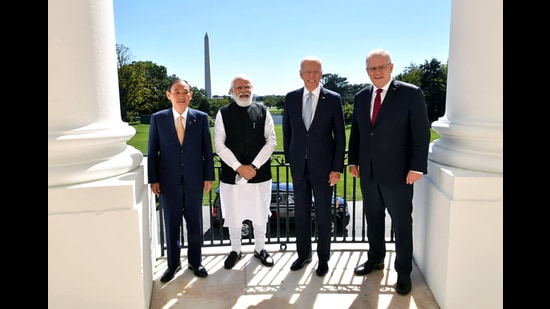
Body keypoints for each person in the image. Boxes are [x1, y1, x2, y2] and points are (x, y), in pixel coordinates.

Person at [348, 49, 431, 295]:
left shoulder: (410, 93)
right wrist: (353, 161)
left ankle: (403, 272)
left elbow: (421, 132)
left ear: (391, 67)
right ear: (367, 71)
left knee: (402, 224)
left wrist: (417, 167)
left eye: (381, 67)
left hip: (399, 173)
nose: (377, 72)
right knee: (373, 219)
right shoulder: (362, 97)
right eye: (372, 68)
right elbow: (358, 133)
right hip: (369, 172)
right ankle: (375, 259)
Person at [282, 56, 346, 277]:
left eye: (316, 72)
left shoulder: (333, 99)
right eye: (307, 72)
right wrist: (292, 160)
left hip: (324, 169)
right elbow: (288, 133)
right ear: (300, 74)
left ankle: (323, 259)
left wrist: (336, 168)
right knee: (300, 214)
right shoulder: (290, 98)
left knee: (323, 214)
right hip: (299, 168)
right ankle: (303, 255)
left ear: (322, 74)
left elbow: (340, 137)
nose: (311, 76)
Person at [148, 78, 215, 282]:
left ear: (190, 95)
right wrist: (154, 179)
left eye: (185, 92)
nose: (181, 96)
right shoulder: (158, 119)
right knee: (171, 224)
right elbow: (153, 151)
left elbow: (207, 150)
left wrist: (208, 176)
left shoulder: (201, 118)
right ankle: (173, 264)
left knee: (195, 224)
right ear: (169, 95)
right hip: (168, 183)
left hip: (195, 181)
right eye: (177, 92)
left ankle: (196, 262)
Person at [214, 74, 277, 269]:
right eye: (239, 87)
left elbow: (271, 141)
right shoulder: (222, 113)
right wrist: (239, 167)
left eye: (247, 86)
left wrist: (254, 166)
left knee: (260, 214)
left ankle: (260, 248)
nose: (244, 90)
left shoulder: (263, 111)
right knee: (233, 215)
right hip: (231, 176)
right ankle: (235, 250)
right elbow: (219, 144)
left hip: (260, 175)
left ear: (252, 88)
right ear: (232, 91)